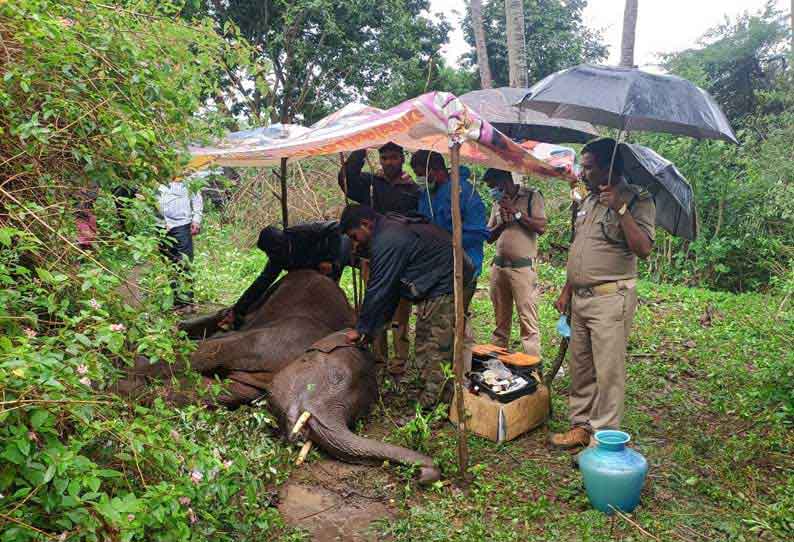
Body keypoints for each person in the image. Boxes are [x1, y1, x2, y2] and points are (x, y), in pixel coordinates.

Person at [550, 138, 655, 450]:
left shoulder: (637, 200)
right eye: (584, 166)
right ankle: (580, 426)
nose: (584, 172)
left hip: (611, 298)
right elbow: (580, 247)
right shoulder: (590, 201)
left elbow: (644, 249)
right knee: (581, 366)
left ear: (610, 168)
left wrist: (620, 208)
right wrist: (567, 289)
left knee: (608, 371)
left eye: (590, 166)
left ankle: (603, 438)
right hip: (580, 298)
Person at [340, 204, 474, 408]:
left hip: (448, 280)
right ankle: (426, 389)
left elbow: (379, 289)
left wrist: (362, 329)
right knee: (423, 340)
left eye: (354, 236)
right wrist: (375, 326)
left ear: (365, 225)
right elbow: (391, 290)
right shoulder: (387, 230)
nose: (355, 244)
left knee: (436, 347)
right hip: (436, 280)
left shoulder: (387, 239)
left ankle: (435, 406)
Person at [339, 143, 420, 372]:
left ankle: (399, 361)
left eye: (393, 157)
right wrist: (360, 149)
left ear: (402, 158)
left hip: (402, 258)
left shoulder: (412, 189)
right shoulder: (371, 183)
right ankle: (377, 356)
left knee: (401, 309)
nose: (388, 162)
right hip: (372, 256)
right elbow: (346, 179)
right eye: (384, 158)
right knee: (375, 299)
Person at [412, 150, 489, 372]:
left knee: (458, 319)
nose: (421, 179)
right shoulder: (426, 194)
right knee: (435, 320)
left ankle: (461, 370)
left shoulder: (466, 193)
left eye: (422, 174)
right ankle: (431, 368)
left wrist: (447, 239)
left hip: (464, 265)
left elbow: (478, 232)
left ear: (435, 171)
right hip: (435, 269)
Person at [220, 221, 352, 329]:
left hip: (336, 248)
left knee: (328, 284)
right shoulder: (277, 259)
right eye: (270, 254)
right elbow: (261, 283)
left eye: (273, 253)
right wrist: (237, 310)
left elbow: (335, 227)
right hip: (312, 263)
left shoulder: (300, 232)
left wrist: (330, 259)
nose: (272, 257)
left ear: (281, 244)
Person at [483, 168, 547, 359]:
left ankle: (532, 367)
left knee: (528, 322)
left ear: (504, 181)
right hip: (499, 267)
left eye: (493, 186)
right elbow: (489, 237)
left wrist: (516, 213)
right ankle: (496, 365)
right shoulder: (496, 203)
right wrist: (502, 221)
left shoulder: (531, 196)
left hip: (522, 269)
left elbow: (541, 227)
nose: (492, 191)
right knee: (500, 323)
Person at [157, 176, 203, 310]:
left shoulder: (189, 179)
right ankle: (175, 299)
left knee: (184, 261)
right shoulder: (156, 176)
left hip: (182, 224)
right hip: (160, 226)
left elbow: (197, 199)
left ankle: (187, 300)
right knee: (169, 261)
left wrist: (196, 219)